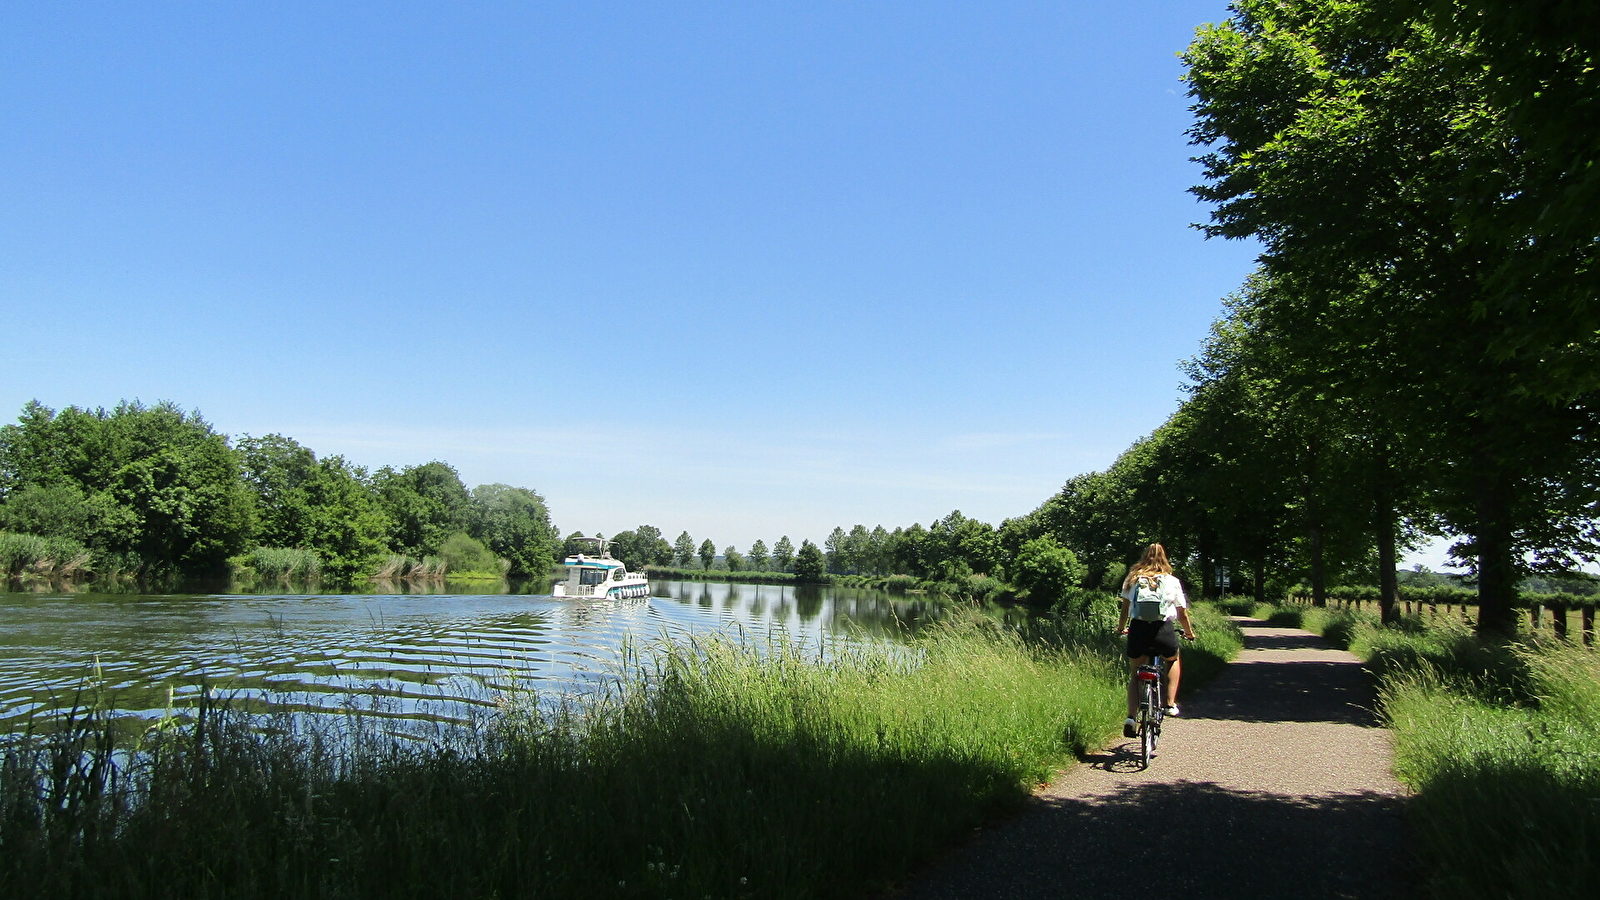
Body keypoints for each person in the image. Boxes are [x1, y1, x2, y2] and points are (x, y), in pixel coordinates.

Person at [1116, 543, 1195, 739]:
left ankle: (1131, 718)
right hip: (1163, 629)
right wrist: (1189, 632)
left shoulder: (1132, 579)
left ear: (1143, 557)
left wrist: (1120, 628)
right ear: (1165, 559)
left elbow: (1125, 610)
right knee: (1173, 659)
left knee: (1135, 674)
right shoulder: (1172, 581)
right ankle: (1169, 704)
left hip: (1138, 629)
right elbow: (1182, 613)